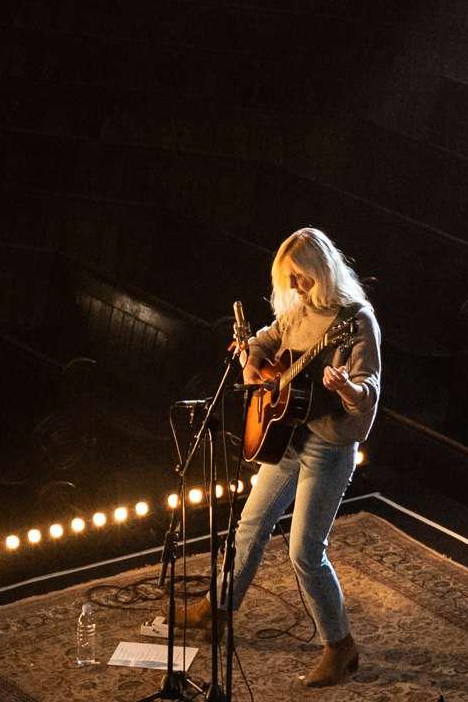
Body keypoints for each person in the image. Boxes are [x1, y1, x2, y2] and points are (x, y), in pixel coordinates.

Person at [173, 227, 382, 688]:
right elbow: (262, 342)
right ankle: (218, 609)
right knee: (250, 526)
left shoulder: (356, 320)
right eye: (290, 280)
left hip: (328, 446)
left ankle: (340, 646)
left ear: (323, 273)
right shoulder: (299, 312)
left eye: (303, 279)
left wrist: (345, 387)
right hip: (286, 439)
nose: (296, 289)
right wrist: (252, 360)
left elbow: (367, 390)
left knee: (304, 550)